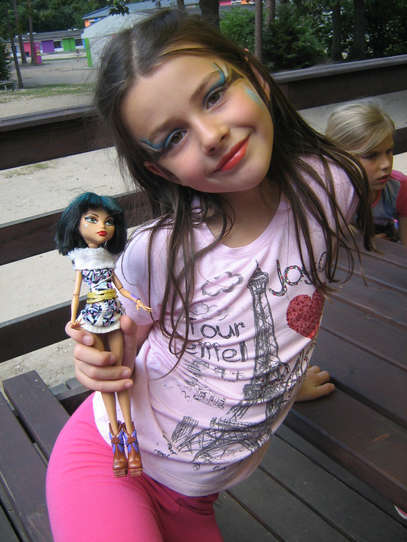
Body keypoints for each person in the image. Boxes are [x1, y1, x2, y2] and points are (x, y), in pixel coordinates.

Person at [46, 9, 373, 542]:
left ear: (254, 74)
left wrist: (284, 385)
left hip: (195, 500)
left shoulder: (333, 187)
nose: (212, 134)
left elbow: (285, 300)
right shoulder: (157, 252)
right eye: (173, 137)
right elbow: (121, 345)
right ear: (160, 170)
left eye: (215, 95)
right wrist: (98, 358)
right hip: (111, 458)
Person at [55, 192, 150, 478]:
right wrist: (73, 318)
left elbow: (119, 287)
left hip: (113, 315)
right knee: (106, 379)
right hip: (93, 316)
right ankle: (117, 439)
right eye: (92, 220)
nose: (103, 227)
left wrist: (137, 302)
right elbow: (76, 293)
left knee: (120, 374)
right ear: (76, 224)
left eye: (109, 222)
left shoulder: (109, 258)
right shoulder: (80, 259)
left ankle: (131, 437)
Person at [326, 102, 407, 245]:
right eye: (371, 156)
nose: (386, 164)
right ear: (340, 157)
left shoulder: (399, 188)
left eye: (389, 151)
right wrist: (362, 240)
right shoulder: (327, 194)